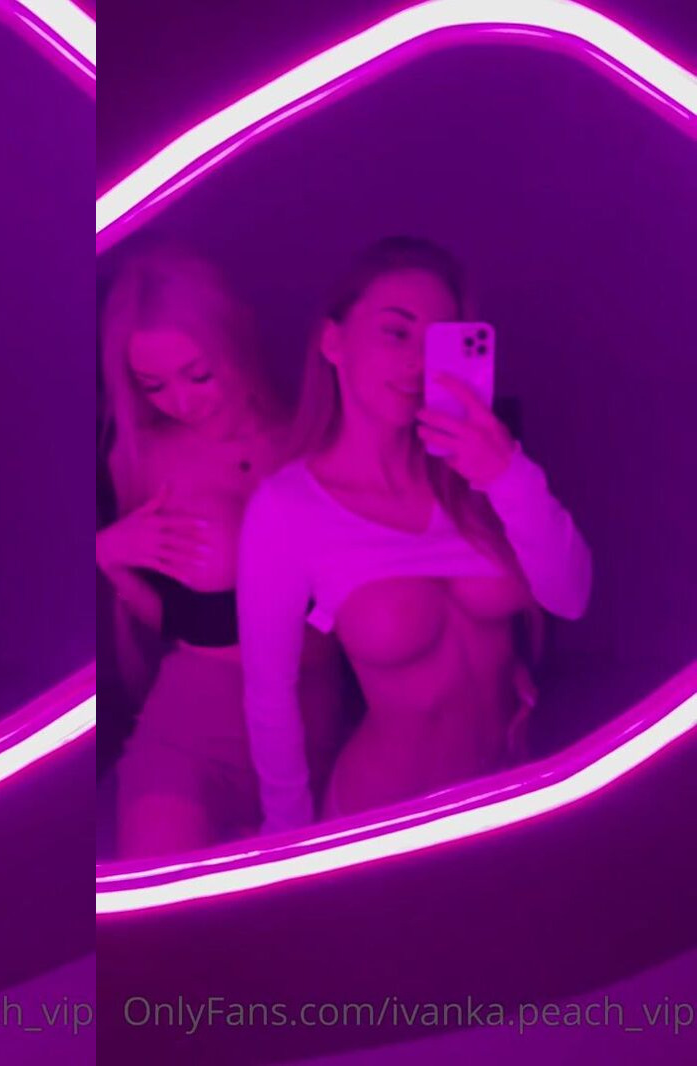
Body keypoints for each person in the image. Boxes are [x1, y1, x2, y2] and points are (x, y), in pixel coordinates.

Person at [237, 237, 592, 834]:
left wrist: (507, 475)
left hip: (510, 796)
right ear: (333, 343)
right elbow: (271, 696)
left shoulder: (482, 470)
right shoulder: (287, 509)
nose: (418, 362)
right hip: (387, 825)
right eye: (397, 333)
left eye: (438, 342)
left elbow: (571, 597)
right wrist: (289, 841)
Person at [98, 246, 344, 858]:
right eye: (153, 385)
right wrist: (109, 557)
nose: (181, 402)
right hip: (193, 727)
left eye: (198, 374)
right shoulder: (145, 456)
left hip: (317, 723)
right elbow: (181, 623)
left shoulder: (313, 438)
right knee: (158, 900)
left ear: (233, 340)